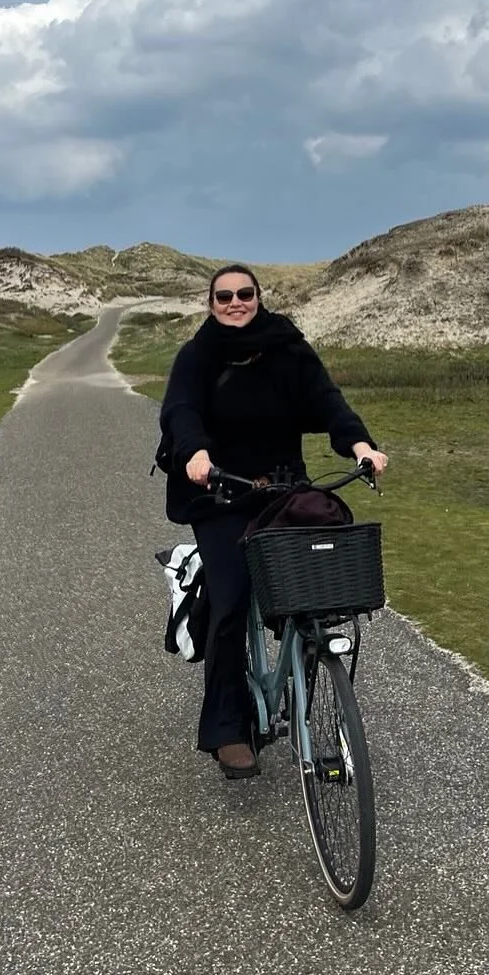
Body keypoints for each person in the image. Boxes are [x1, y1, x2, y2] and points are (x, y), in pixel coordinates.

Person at [158, 264, 387, 779]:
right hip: (218, 491)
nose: (235, 302)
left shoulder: (288, 347)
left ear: (259, 297)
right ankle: (230, 728)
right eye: (224, 296)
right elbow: (181, 410)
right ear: (210, 303)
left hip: (283, 487)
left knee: (315, 587)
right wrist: (194, 453)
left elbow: (328, 402)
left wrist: (361, 446)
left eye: (244, 293)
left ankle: (305, 664)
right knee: (232, 599)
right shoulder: (198, 355)